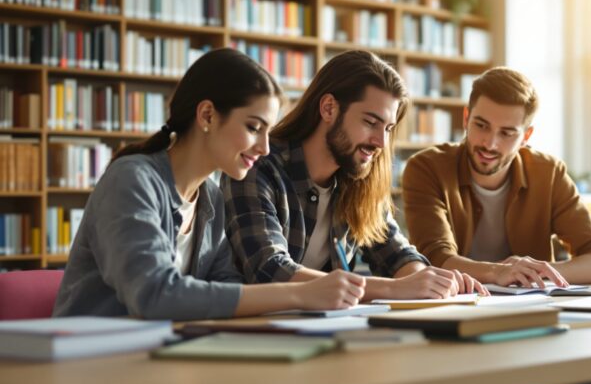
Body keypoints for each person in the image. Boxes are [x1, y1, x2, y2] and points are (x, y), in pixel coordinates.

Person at [53, 48, 365, 321]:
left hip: (160, 360)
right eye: (254, 127)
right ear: (207, 115)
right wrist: (300, 294)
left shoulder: (211, 198)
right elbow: (154, 295)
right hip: (89, 365)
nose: (265, 148)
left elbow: (226, 290)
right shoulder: (132, 180)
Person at [222, 50, 486, 299]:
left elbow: (397, 255)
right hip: (255, 333)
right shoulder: (258, 164)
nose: (381, 142)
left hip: (322, 330)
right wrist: (395, 289)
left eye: (388, 128)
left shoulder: (357, 176)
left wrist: (428, 282)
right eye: (370, 122)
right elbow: (269, 270)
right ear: (328, 108)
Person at [401, 67, 591, 288]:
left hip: (530, 310)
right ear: (466, 118)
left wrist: (532, 273)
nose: (490, 143)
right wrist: (499, 272)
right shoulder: (426, 168)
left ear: (526, 136)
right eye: (481, 125)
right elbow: (435, 259)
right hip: (454, 306)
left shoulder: (549, 173)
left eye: (506, 133)